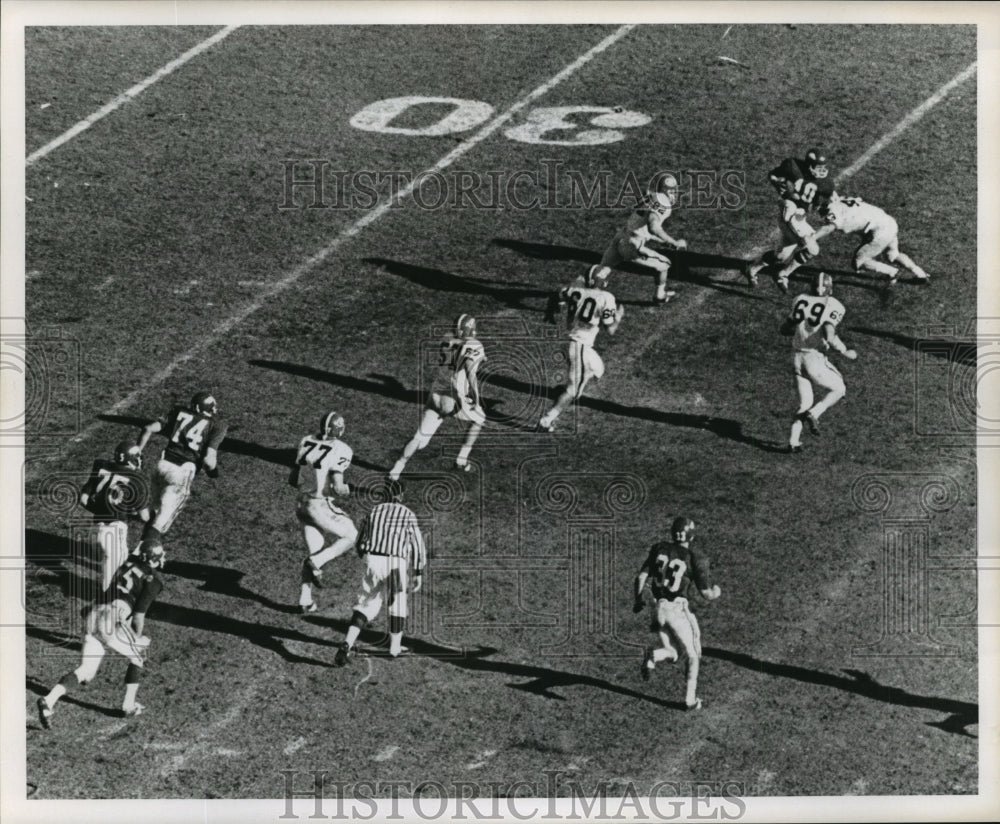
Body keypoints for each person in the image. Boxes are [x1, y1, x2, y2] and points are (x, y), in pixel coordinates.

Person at [37, 540, 166, 728]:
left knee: (86, 671)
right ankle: (128, 706)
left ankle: (48, 701)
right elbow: (138, 615)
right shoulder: (153, 580)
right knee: (138, 656)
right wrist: (137, 639)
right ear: (154, 559)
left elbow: (113, 590)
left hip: (95, 613)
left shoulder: (127, 563)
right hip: (111, 616)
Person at [335, 481, 426, 665]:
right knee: (397, 603)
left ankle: (346, 644)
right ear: (401, 496)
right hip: (394, 564)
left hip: (372, 561)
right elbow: (417, 545)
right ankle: (394, 648)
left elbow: (360, 540)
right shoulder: (407, 514)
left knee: (366, 604)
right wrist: (418, 571)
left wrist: (365, 557)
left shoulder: (373, 511)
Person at [634, 517, 721, 711]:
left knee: (674, 652)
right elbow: (706, 594)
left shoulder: (659, 548)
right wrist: (717, 591)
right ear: (691, 535)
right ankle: (690, 700)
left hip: (657, 609)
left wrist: (638, 599)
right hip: (676, 609)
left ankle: (653, 656)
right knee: (693, 655)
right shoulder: (694, 556)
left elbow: (641, 577)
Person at [389, 314, 485, 480]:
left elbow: (458, 353)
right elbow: (470, 371)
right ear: (470, 329)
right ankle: (461, 459)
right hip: (453, 397)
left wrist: (481, 357)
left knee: (419, 438)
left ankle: (396, 469)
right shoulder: (474, 344)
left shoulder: (447, 337)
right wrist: (475, 397)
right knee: (480, 418)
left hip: (434, 395)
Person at [538, 266, 623, 432]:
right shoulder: (606, 297)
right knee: (574, 391)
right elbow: (611, 329)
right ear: (603, 281)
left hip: (569, 341)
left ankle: (566, 388)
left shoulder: (575, 290)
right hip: (580, 346)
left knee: (598, 367)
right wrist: (618, 317)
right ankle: (547, 420)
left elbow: (558, 293)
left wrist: (550, 312)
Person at [135, 391, 227, 542]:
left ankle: (141, 548)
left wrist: (137, 453)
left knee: (155, 514)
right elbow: (208, 460)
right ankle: (140, 557)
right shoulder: (217, 425)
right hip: (181, 472)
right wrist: (213, 473)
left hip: (161, 465)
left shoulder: (178, 411)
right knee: (161, 522)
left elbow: (148, 428)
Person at [781, 272, 857, 452]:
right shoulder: (834, 304)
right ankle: (815, 414)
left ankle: (793, 442)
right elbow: (829, 335)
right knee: (839, 389)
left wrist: (801, 330)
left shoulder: (800, 299)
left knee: (804, 402)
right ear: (830, 288)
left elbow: (785, 328)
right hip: (814, 358)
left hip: (795, 357)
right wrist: (845, 351)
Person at [290, 411, 357, 613]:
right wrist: (345, 489)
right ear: (340, 429)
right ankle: (317, 562)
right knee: (352, 535)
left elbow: (292, 480)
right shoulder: (342, 449)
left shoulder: (306, 440)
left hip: (301, 504)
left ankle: (305, 600)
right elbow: (338, 486)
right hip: (318, 504)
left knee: (315, 550)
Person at [747, 148, 837, 291]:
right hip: (790, 210)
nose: (822, 171)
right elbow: (775, 173)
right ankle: (783, 274)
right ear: (809, 166)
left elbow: (824, 200)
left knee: (780, 257)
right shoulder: (793, 166)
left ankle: (751, 269)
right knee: (812, 248)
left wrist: (826, 210)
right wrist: (776, 181)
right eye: (818, 167)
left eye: (823, 167)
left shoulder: (826, 183)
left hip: (799, 216)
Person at [596, 173, 687, 303]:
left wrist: (664, 242)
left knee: (602, 270)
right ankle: (659, 296)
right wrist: (673, 241)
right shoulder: (664, 203)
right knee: (665, 264)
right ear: (666, 190)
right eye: (672, 190)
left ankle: (582, 293)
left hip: (621, 235)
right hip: (632, 244)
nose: (675, 194)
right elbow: (653, 227)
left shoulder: (651, 195)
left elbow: (643, 225)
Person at [79, 440, 150, 591]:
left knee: (116, 564)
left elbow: (83, 499)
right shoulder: (137, 479)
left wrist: (101, 510)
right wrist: (126, 512)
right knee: (113, 575)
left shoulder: (101, 466)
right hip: (115, 530)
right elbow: (144, 516)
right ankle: (106, 599)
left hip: (95, 529)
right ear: (132, 458)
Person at [820, 195, 930, 284]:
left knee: (859, 261)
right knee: (893, 255)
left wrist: (813, 237)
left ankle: (891, 272)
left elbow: (829, 227)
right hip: (889, 222)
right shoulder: (845, 200)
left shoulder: (834, 212)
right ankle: (920, 273)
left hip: (880, 231)